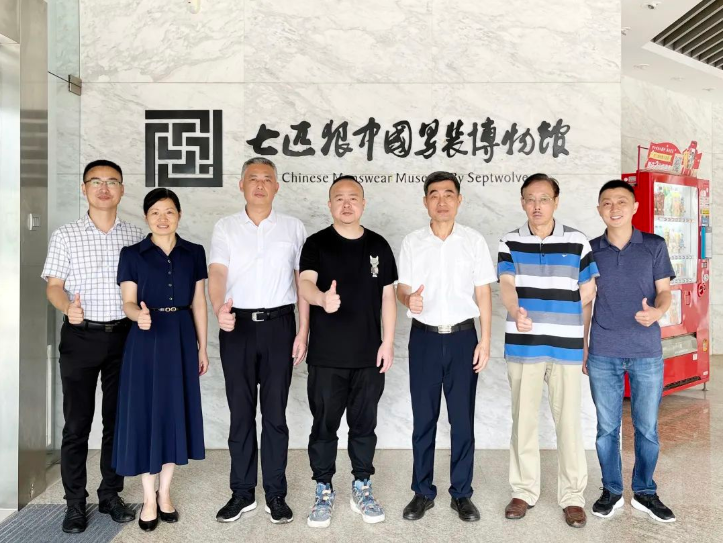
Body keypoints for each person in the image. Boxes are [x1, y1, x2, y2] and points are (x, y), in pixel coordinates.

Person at [42, 159, 142, 534]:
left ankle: (110, 494)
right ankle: (74, 502)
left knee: (117, 421)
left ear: (122, 189)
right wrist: (67, 306)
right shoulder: (66, 235)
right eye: (95, 181)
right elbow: (54, 286)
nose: (104, 188)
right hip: (80, 336)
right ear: (83, 189)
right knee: (77, 423)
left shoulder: (136, 235)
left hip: (125, 337)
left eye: (111, 181)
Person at [209, 157, 308, 525]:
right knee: (241, 412)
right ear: (241, 185)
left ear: (277, 186)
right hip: (236, 325)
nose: (260, 184)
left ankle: (276, 493)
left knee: (275, 414)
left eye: (268, 178)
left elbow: (302, 282)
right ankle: (242, 491)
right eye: (253, 178)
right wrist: (218, 309)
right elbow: (217, 273)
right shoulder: (226, 227)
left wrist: (303, 331)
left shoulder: (293, 227)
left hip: (280, 326)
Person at [497, 173, 598, 528]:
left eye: (544, 198)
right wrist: (515, 311)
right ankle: (523, 491)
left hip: (566, 346)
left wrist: (584, 342)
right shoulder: (510, 240)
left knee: (569, 423)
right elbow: (506, 284)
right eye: (530, 199)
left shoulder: (577, 241)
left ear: (556, 201)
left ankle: (572, 497)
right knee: (523, 421)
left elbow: (588, 295)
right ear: (522, 202)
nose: (536, 205)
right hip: (523, 344)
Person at [396, 171, 496, 523]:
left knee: (462, 420)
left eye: (448, 194)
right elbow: (402, 288)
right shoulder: (412, 241)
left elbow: (483, 293)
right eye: (435, 195)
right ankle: (422, 492)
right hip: (423, 338)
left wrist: (485, 340)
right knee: (423, 419)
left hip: (463, 338)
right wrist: (409, 298)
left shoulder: (473, 241)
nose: (442, 201)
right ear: (425, 201)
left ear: (459, 200)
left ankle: (462, 494)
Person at [299, 175, 397, 528]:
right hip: (326, 357)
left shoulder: (379, 245)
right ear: (329, 205)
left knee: (364, 427)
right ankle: (323, 488)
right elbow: (305, 283)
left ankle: (362, 485)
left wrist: (388, 342)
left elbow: (388, 296)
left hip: (369, 357)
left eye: (353, 197)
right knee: (324, 426)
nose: (346, 203)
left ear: (363, 203)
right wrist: (321, 299)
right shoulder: (316, 243)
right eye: (339, 198)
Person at [113, 188, 208, 532]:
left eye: (169, 211)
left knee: (173, 413)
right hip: (146, 339)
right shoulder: (132, 254)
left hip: (181, 337)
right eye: (155, 212)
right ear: (146, 217)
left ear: (179, 215)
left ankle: (165, 492)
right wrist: (136, 314)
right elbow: (127, 301)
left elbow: (199, 302)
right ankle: (148, 498)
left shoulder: (194, 252)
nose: (162, 218)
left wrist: (202, 347)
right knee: (146, 414)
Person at [585, 180, 676, 523]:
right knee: (606, 428)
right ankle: (611, 490)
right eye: (607, 202)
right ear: (599, 209)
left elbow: (664, 291)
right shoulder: (591, 249)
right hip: (603, 350)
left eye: (621, 201)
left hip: (645, 350)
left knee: (647, 427)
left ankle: (644, 491)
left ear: (635, 207)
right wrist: (584, 346)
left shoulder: (654, 246)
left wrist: (657, 312)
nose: (614, 208)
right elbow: (586, 301)